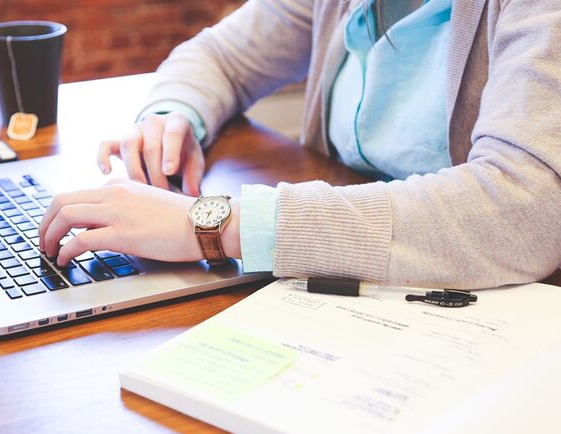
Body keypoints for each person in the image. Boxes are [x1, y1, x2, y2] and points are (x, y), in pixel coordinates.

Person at [39, 0, 561, 289]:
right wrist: (172, 115)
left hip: (493, 310)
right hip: (351, 287)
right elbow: (221, 55)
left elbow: (525, 208)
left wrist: (215, 224)